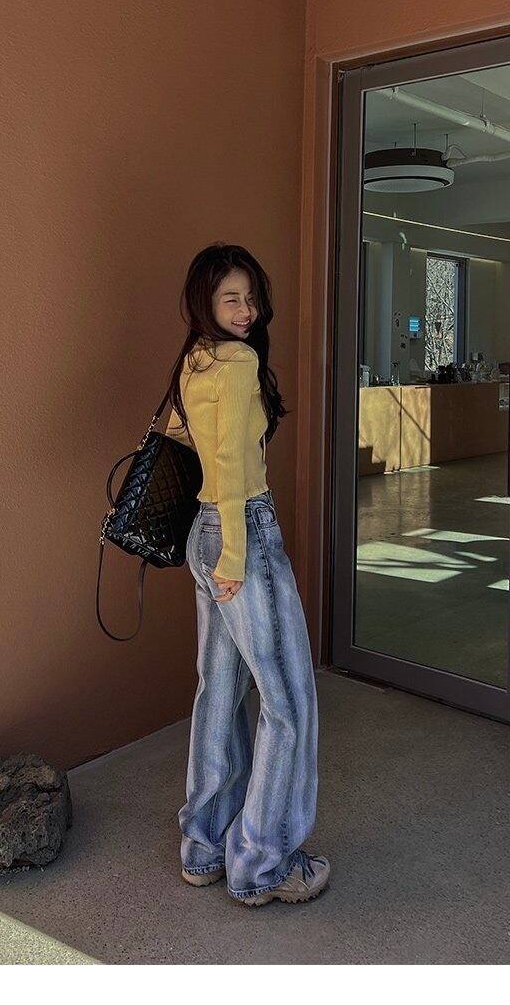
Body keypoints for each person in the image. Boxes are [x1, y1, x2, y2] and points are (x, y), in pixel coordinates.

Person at [163, 244, 329, 908]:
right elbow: (231, 462)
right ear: (204, 300)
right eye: (230, 297)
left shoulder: (195, 358)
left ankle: (204, 845)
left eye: (250, 297)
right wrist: (235, 557)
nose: (245, 309)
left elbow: (186, 436)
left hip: (204, 529)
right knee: (289, 702)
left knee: (220, 692)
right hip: (241, 532)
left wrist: (218, 550)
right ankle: (264, 863)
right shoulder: (237, 362)